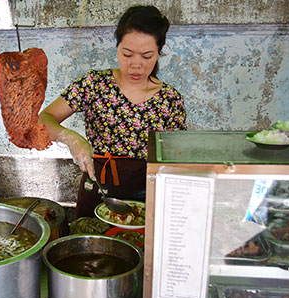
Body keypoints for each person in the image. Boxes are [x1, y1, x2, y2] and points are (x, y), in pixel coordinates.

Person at [39, 5, 187, 218]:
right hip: (98, 187)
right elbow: (44, 118)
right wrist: (70, 138)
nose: (136, 65)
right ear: (117, 47)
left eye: (146, 56)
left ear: (158, 53)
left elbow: (175, 159)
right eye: (127, 54)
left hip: (147, 194)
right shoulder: (94, 84)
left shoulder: (170, 99)